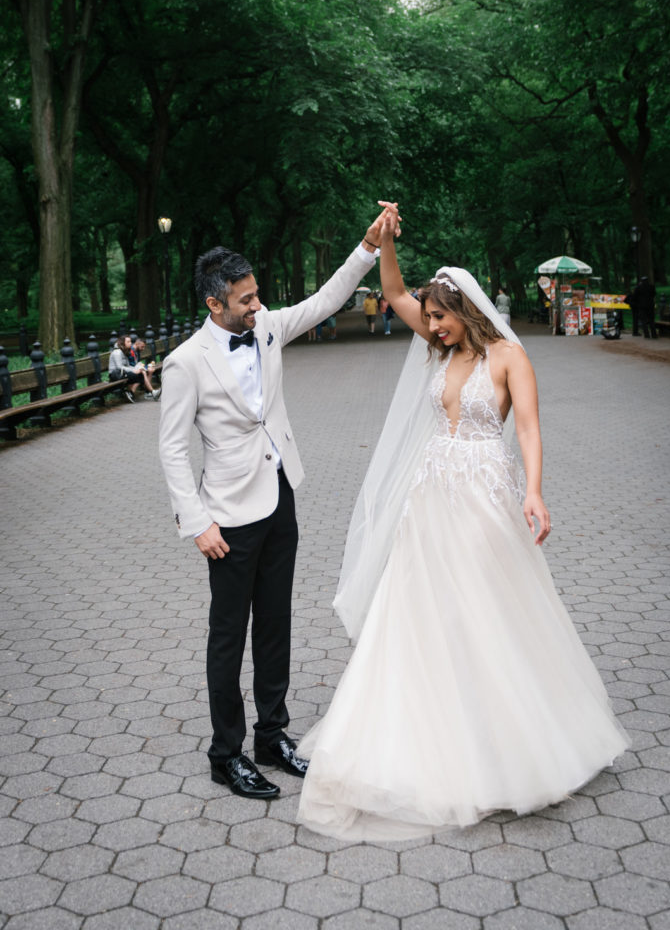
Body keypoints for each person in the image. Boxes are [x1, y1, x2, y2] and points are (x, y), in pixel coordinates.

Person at [297, 202, 629, 841]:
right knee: (424, 610)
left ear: (467, 312)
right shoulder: (436, 345)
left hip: (485, 492)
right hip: (431, 496)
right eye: (432, 320)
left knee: (484, 607)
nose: (435, 330)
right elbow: (392, 291)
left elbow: (527, 427)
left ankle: (513, 740)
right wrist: (383, 239)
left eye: (442, 319)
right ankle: (435, 730)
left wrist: (534, 492)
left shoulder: (508, 357)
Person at [158, 210, 384, 801]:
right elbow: (172, 448)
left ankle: (272, 735)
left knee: (276, 624)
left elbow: (326, 300)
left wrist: (365, 246)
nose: (258, 306)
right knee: (228, 635)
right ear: (215, 304)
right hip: (227, 520)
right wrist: (197, 520)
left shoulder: (266, 328)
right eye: (246, 299)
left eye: (258, 296)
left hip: (280, 497)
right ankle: (225, 753)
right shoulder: (186, 363)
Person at [109, 334, 160, 402]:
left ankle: (131, 393)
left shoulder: (124, 351)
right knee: (139, 374)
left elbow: (127, 366)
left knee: (141, 374)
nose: (130, 343)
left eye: (130, 341)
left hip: (122, 373)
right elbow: (119, 367)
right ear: (122, 343)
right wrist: (134, 371)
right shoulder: (117, 352)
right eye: (128, 342)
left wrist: (135, 370)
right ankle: (149, 392)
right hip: (115, 374)